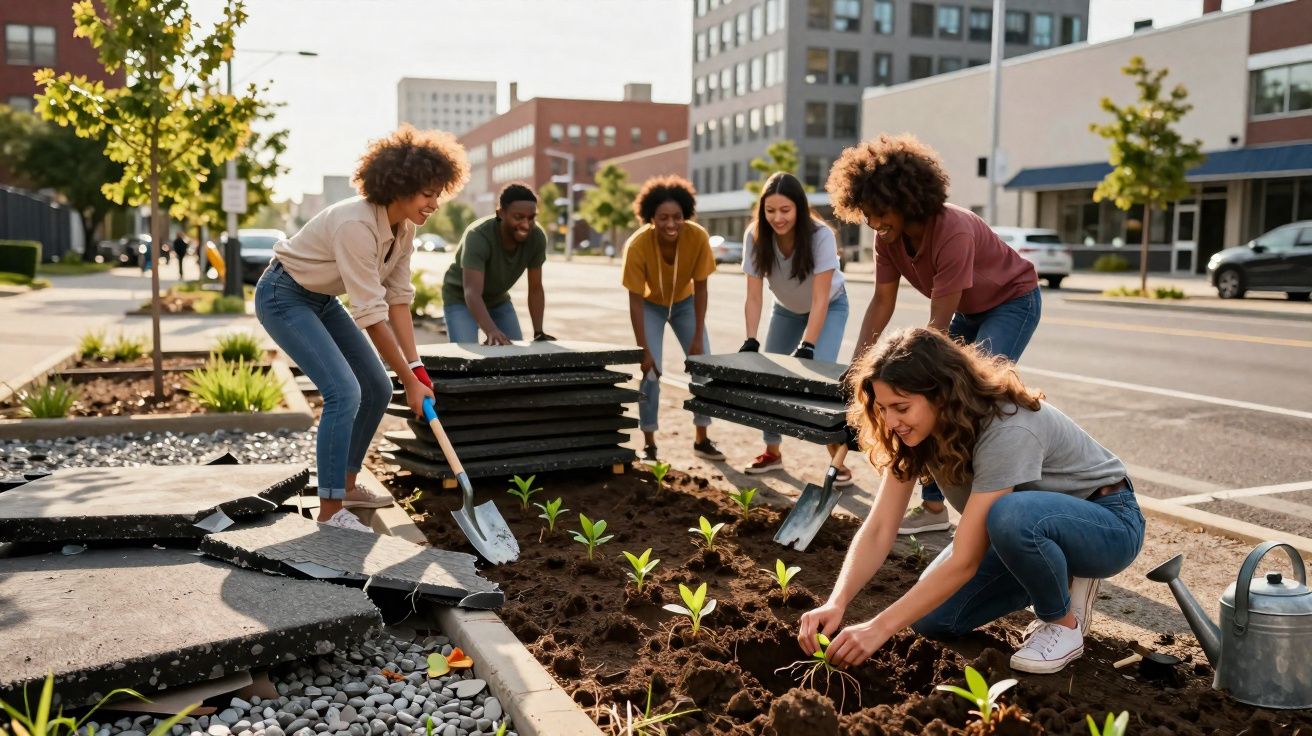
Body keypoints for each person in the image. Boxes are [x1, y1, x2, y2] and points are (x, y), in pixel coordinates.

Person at [798, 327, 1144, 675]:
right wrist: (836, 602)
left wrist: (879, 628)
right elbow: (879, 529)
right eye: (883, 408)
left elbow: (965, 559)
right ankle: (1058, 571)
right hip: (1017, 532)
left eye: (901, 407)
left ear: (943, 394)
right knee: (931, 620)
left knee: (1009, 515)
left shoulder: (1007, 426)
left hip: (1107, 523)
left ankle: (1063, 623)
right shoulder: (915, 433)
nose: (890, 421)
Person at [827, 133, 1042, 537]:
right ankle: (933, 508)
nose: (873, 222)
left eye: (880, 212)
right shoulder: (886, 236)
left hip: (1012, 301)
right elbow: (881, 302)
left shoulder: (952, 230)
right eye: (866, 213)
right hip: (970, 309)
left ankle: (1001, 508)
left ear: (907, 199)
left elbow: (938, 323)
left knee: (965, 396)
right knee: (928, 399)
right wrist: (859, 369)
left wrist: (907, 376)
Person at [256, 125, 467, 531]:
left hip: (319, 298)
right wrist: (410, 378)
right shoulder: (357, 225)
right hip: (283, 295)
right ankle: (331, 511)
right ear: (400, 188)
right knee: (343, 391)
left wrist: (416, 368)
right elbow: (371, 315)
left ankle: (347, 484)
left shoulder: (403, 230)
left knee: (377, 387)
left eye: (439, 193)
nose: (435, 203)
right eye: (428, 194)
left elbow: (399, 299)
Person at [738, 172, 851, 480]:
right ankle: (772, 452)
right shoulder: (755, 235)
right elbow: (753, 296)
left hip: (829, 307)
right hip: (786, 310)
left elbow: (820, 299)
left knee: (819, 381)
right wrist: (751, 340)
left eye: (785, 210)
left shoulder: (820, 235)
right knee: (769, 377)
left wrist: (809, 345)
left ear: (799, 208)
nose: (777, 218)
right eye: (770, 210)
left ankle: (837, 460)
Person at [622, 175, 723, 463]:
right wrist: (644, 349)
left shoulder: (697, 237)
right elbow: (635, 299)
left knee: (703, 365)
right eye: (663, 217)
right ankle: (650, 442)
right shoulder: (637, 244)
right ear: (650, 217)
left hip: (685, 303)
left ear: (686, 215)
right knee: (651, 372)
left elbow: (702, 288)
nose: (670, 224)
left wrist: (696, 339)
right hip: (651, 306)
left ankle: (702, 438)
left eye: (677, 217)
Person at [441, 184, 552, 345]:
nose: (526, 225)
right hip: (461, 299)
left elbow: (535, 288)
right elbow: (471, 292)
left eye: (531, 217)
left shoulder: (536, 237)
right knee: (465, 363)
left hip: (498, 300)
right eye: (518, 217)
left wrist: (539, 332)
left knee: (514, 358)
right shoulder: (478, 236)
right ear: (501, 213)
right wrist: (491, 330)